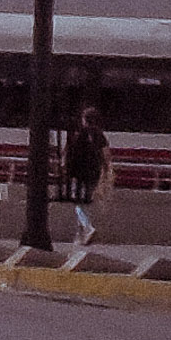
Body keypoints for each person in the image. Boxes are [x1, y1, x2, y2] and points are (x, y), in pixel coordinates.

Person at [62, 96, 108, 245]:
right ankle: (81, 236)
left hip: (79, 173)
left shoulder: (78, 134)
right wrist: (106, 171)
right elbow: (106, 155)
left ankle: (88, 227)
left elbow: (67, 151)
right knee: (86, 202)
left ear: (84, 119)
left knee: (78, 203)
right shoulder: (100, 135)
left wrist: (65, 167)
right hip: (94, 172)